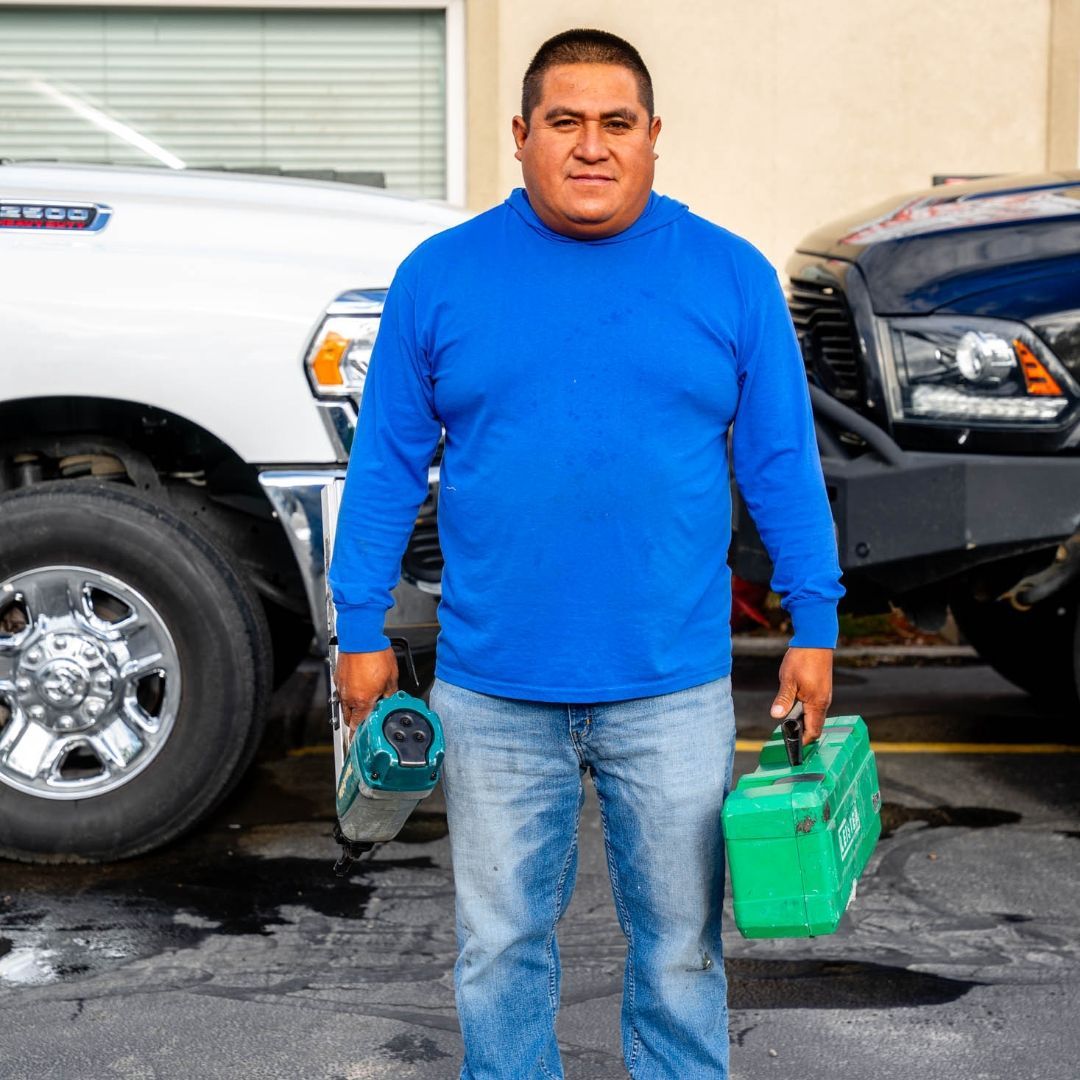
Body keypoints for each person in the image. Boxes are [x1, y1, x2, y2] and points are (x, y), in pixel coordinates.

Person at [329, 27, 844, 1080]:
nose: (592, 145)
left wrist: (817, 623)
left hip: (673, 685)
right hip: (492, 687)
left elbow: (784, 466)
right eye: (565, 121)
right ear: (520, 136)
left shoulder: (730, 277)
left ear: (655, 137)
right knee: (501, 950)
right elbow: (384, 466)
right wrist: (357, 623)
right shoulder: (441, 277)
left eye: (617, 123)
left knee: (682, 954)